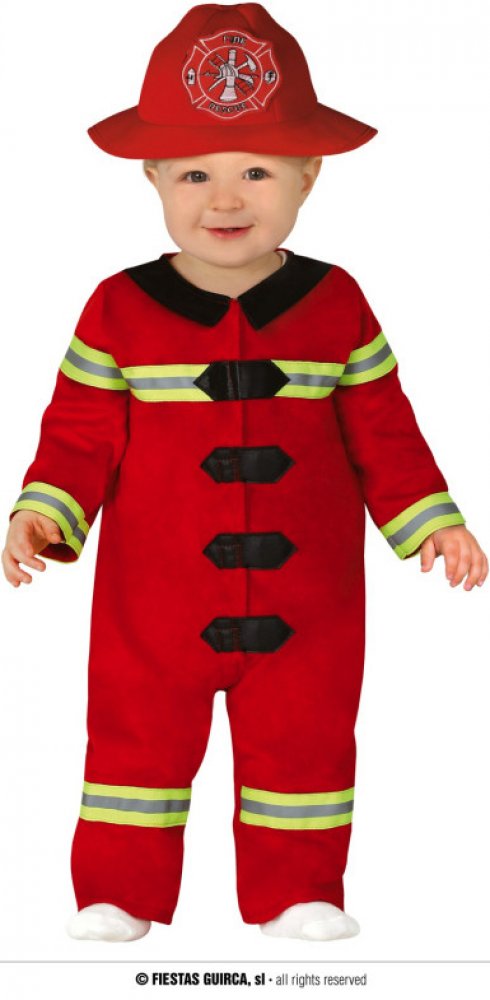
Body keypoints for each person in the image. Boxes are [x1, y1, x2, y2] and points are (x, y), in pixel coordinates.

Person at [2, 2, 487, 944]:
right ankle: (118, 892)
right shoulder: (117, 309)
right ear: (151, 176)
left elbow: (384, 431)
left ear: (310, 174)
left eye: (257, 171)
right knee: (135, 741)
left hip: (311, 602)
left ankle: (299, 892)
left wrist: (434, 521)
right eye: (194, 173)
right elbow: (78, 432)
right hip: (152, 599)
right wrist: (43, 512)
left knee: (305, 740)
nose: (224, 200)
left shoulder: (338, 303)